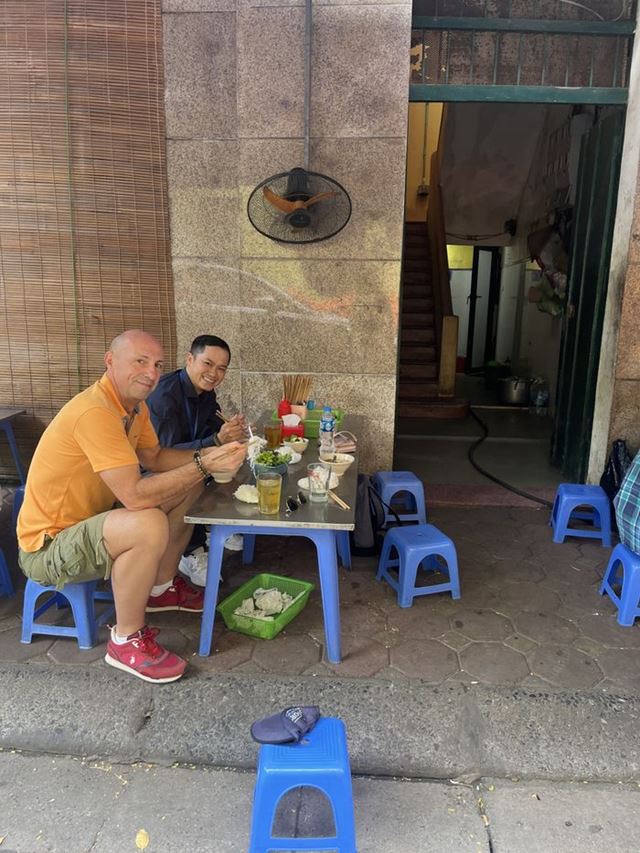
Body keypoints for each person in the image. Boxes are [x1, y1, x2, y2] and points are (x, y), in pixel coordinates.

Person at [17, 330, 246, 684]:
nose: (151, 373)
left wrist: (208, 455)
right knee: (147, 523)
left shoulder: (134, 408)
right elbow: (136, 497)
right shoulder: (96, 411)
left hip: (93, 520)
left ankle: (160, 588)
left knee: (188, 484)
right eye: (140, 361)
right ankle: (125, 640)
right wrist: (204, 464)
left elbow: (154, 457)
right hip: (49, 545)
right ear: (110, 361)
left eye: (157, 365)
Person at [146, 335, 248, 585]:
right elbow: (163, 455)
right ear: (190, 359)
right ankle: (192, 551)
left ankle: (214, 527)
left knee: (238, 461)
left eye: (221, 368)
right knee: (198, 478)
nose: (214, 374)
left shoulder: (205, 394)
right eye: (208, 364)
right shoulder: (164, 396)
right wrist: (217, 440)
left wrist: (231, 431)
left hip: (189, 460)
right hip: (150, 473)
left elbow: (213, 429)